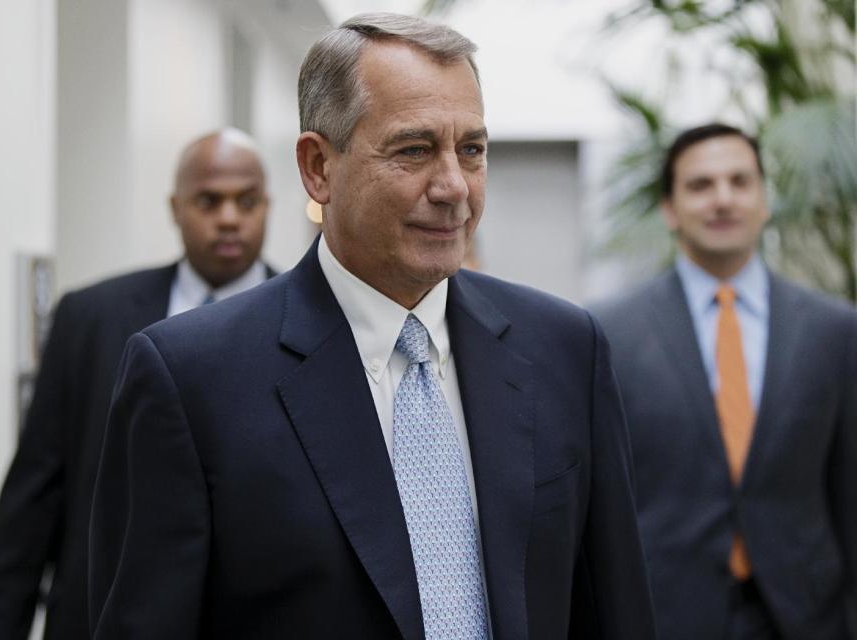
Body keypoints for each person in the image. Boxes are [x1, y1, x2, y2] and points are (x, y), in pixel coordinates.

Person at [89, 13, 655, 640]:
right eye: (414, 150)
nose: (452, 188)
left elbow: (613, 610)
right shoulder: (190, 380)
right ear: (317, 168)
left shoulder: (564, 350)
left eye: (471, 150)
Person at [0, 128, 275, 640]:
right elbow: (31, 506)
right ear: (175, 208)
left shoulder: (315, 325)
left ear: (266, 206)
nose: (229, 218)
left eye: (246, 201)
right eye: (208, 200)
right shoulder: (89, 319)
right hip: (99, 616)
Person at [593, 123, 857, 639]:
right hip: (664, 612)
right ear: (670, 209)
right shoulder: (607, 333)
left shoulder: (835, 330)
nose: (723, 199)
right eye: (700, 185)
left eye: (740, 182)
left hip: (807, 614)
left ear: (763, 200)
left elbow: (848, 489)